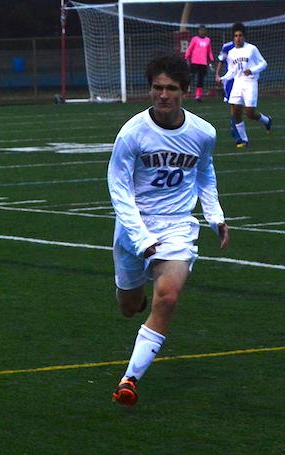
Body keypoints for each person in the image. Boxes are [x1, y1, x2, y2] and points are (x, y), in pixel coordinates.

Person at [107, 53, 229, 407]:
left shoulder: (203, 132)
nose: (163, 95)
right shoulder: (132, 133)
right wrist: (141, 238)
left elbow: (205, 173)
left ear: (185, 92)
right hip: (134, 226)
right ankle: (134, 294)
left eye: (171, 89)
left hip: (177, 227)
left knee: (169, 297)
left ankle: (129, 379)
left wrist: (215, 215)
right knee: (129, 306)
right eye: (157, 88)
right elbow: (119, 189)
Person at [219, 23, 272, 148]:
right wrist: (222, 78)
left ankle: (267, 120)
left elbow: (263, 63)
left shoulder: (252, 49)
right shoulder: (231, 53)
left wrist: (252, 70)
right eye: (236, 36)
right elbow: (232, 71)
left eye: (240, 35)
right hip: (238, 83)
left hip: (250, 82)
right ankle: (244, 139)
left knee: (250, 113)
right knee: (236, 111)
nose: (238, 38)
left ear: (244, 36)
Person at [184, 25, 214, 102]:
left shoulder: (208, 40)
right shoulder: (195, 39)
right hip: (194, 61)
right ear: (199, 31)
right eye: (201, 30)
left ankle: (198, 96)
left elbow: (209, 51)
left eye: (203, 30)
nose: (202, 32)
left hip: (203, 63)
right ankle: (185, 92)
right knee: (190, 77)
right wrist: (187, 56)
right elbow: (190, 48)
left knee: (200, 79)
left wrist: (211, 59)